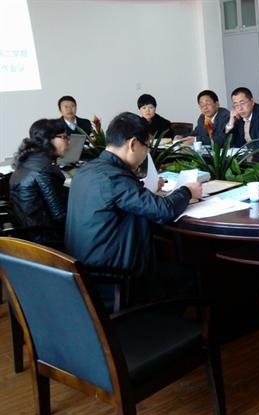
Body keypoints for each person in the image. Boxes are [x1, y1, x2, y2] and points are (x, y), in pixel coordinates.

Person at [65, 112, 202, 302]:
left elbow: (119, 198)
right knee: (193, 276)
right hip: (117, 279)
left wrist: (145, 188)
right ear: (133, 144)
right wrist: (187, 191)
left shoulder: (88, 170)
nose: (146, 154)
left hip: (87, 271)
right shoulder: (115, 177)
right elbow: (164, 210)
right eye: (147, 146)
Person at [9, 118, 69, 247]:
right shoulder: (44, 169)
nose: (68, 141)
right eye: (64, 137)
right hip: (46, 239)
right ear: (49, 140)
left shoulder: (28, 161)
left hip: (28, 235)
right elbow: (60, 215)